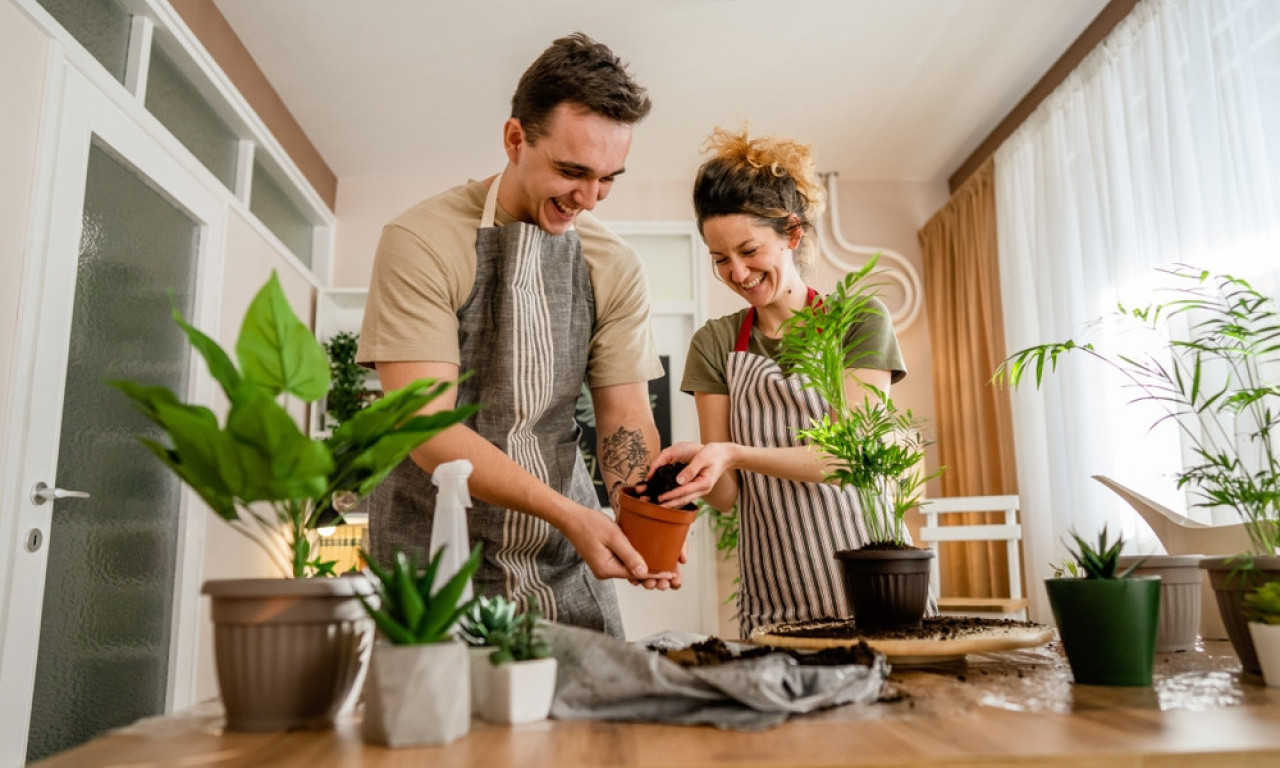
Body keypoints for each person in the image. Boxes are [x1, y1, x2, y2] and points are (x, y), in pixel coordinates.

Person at [356, 33, 676, 638]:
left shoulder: (615, 264)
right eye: (571, 171)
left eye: (608, 178)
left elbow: (625, 417)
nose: (588, 198)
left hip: (562, 560)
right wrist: (572, 514)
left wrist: (643, 517)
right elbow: (426, 429)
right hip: (432, 556)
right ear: (514, 140)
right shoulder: (422, 241)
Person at [648, 127, 920, 638]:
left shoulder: (858, 320)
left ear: (792, 233)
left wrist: (734, 452)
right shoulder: (716, 344)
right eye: (720, 259)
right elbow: (728, 497)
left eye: (749, 250)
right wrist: (698, 469)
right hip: (776, 601)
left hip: (876, 588)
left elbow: (848, 460)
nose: (737, 272)